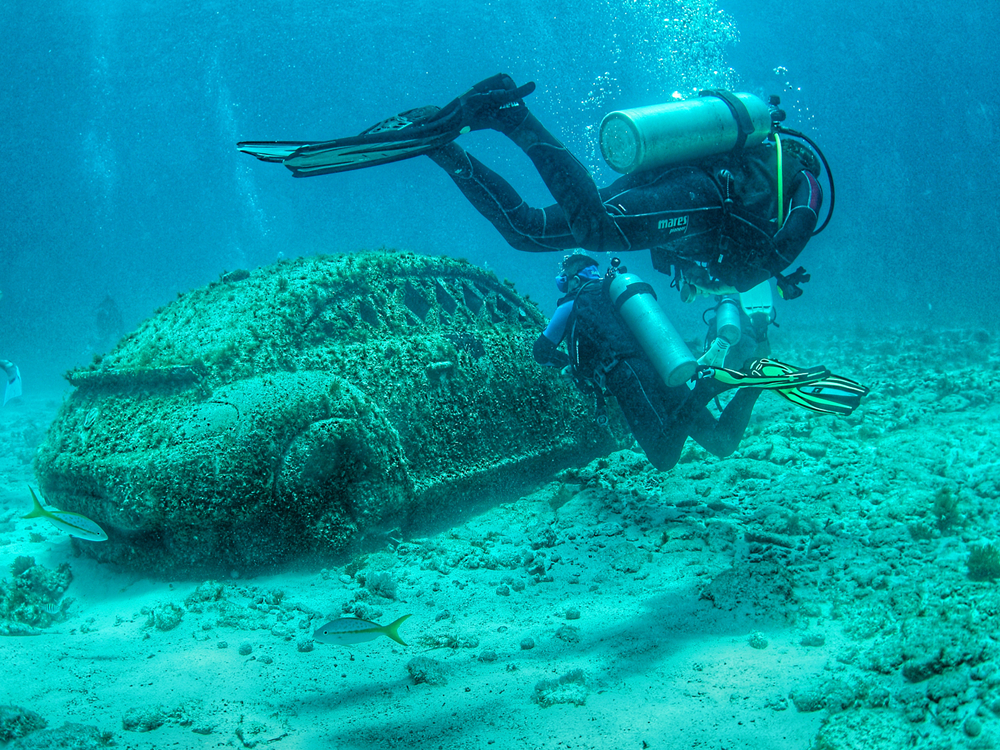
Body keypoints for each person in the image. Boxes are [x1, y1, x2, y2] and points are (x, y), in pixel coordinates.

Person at [238, 74, 826, 307]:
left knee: (529, 233)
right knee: (592, 229)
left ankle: (442, 147)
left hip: (681, 194)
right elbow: (765, 256)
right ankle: (512, 116)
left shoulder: (777, 171)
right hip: (699, 198)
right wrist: (758, 272)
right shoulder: (803, 184)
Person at [533, 255, 866, 471]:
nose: (564, 286)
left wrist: (567, 362)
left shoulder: (573, 303)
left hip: (626, 373)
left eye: (564, 280)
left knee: (663, 457)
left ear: (573, 280)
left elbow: (540, 350)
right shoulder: (617, 293)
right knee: (722, 443)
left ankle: (707, 389)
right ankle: (753, 379)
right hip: (667, 365)